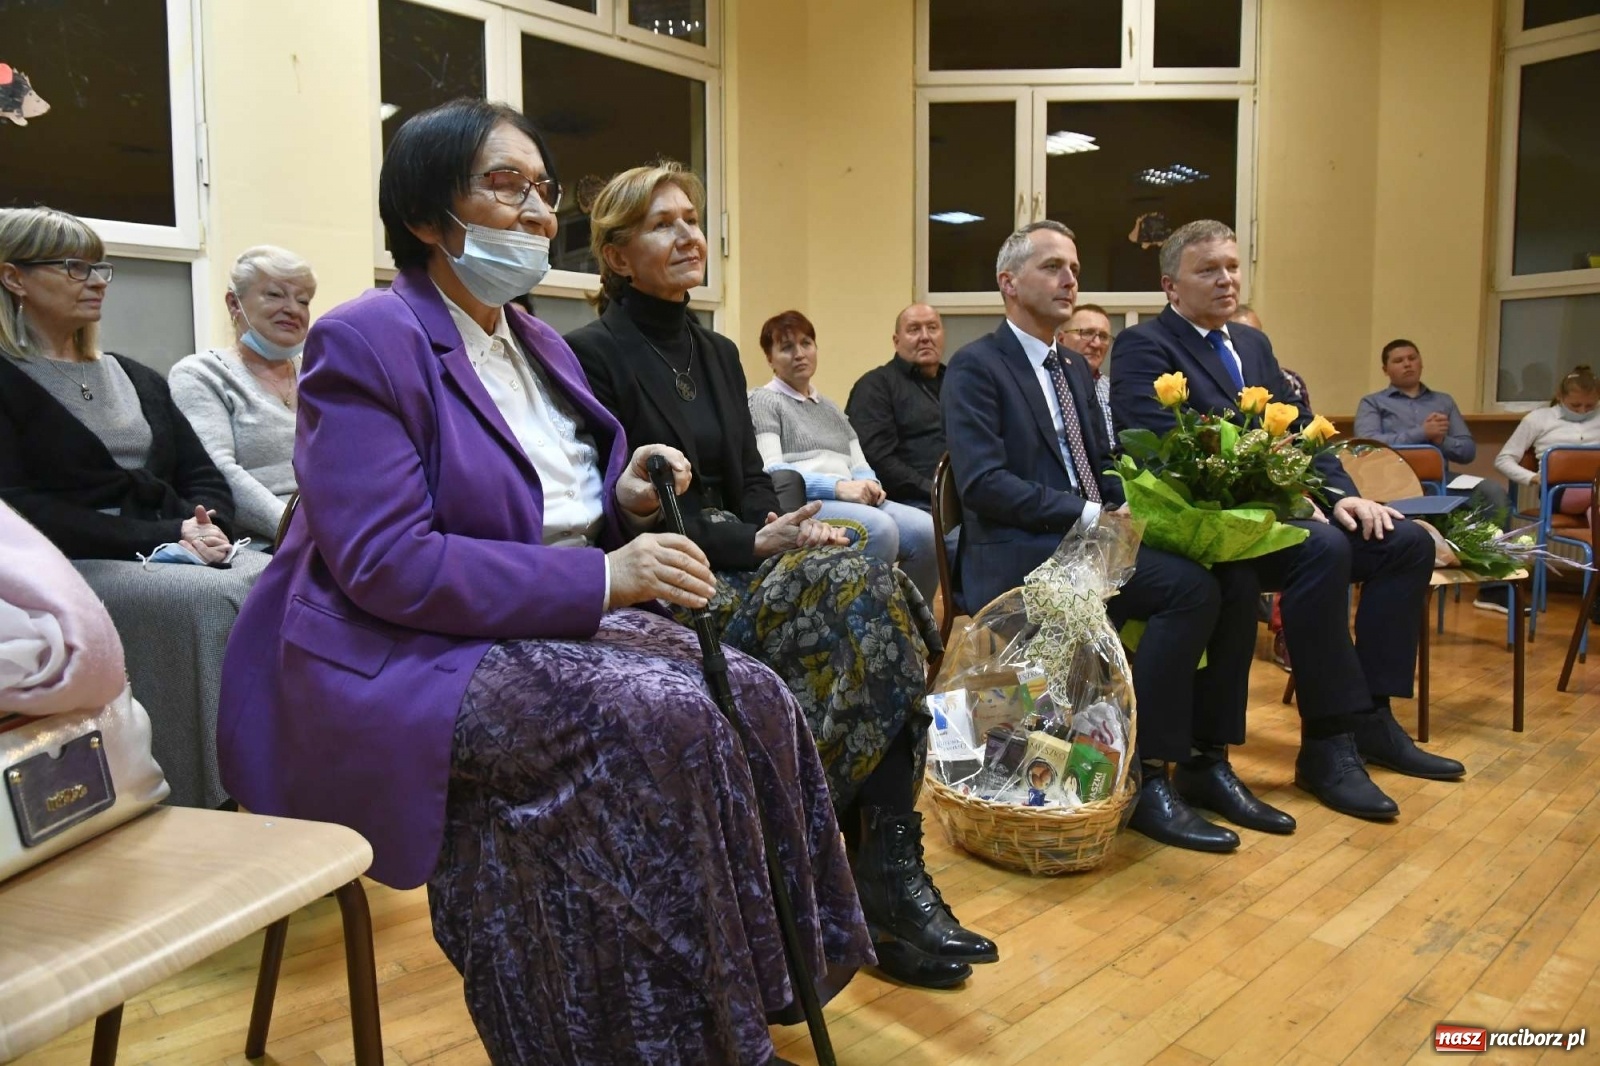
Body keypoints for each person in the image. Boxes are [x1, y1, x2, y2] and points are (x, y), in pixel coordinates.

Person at [217, 100, 874, 1065]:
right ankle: (648, 1039)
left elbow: (556, 506)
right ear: (426, 212)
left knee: (759, 697)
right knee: (669, 726)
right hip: (406, 646)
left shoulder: (538, 342)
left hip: (531, 617)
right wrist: (608, 577)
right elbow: (386, 563)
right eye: (504, 184)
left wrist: (633, 501)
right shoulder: (368, 340)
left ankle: (750, 996)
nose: (533, 211)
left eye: (542, 190)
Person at [566, 161, 996, 990]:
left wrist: (780, 525)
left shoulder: (719, 351)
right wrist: (754, 543)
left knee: (885, 593)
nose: (689, 234)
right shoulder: (590, 355)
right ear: (616, 257)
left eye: (692, 218)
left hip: (742, 558)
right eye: (663, 224)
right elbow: (622, 509)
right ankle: (855, 875)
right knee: (879, 595)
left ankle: (857, 872)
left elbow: (753, 482)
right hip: (673, 579)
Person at [942, 221, 1286, 853]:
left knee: (1233, 576)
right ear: (1008, 283)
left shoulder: (1072, 365)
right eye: (1051, 267)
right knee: (1190, 591)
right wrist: (1089, 515)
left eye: (1073, 266)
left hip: (1089, 543)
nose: (1070, 278)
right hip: (1021, 550)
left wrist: (1134, 502)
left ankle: (1208, 759)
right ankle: (1148, 775)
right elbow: (985, 485)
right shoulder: (975, 367)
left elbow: (1102, 461)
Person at [1110, 220, 1464, 823]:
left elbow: (1304, 430)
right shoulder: (1147, 347)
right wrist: (1284, 498)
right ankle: (1328, 744)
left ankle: (1373, 718)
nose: (1226, 279)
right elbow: (1165, 450)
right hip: (1210, 528)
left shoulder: (1252, 347)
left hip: (1275, 518)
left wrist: (1343, 494)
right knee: (1323, 548)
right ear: (1171, 285)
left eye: (1232, 266)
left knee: (1403, 543)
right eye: (1208, 270)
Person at [0, 205, 266, 810]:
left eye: (100, 267)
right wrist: (162, 537)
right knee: (213, 598)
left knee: (289, 576)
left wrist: (208, 527)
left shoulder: (135, 375)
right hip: (74, 560)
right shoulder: (6, 380)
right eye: (74, 267)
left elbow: (200, 472)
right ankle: (216, 795)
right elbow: (19, 509)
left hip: (168, 543)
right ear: (13, 277)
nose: (96, 280)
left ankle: (297, 766)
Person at [749, 309, 939, 603]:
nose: (799, 354)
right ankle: (866, 633)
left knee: (927, 530)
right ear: (770, 359)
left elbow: (860, 464)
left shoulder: (830, 407)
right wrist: (838, 488)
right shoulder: (763, 400)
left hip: (851, 498)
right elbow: (774, 472)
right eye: (786, 347)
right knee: (881, 529)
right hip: (807, 504)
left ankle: (910, 631)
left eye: (806, 343)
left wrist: (870, 485)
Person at [169, 245, 316, 547]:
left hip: (334, 525)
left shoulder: (319, 375)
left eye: (303, 300)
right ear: (234, 303)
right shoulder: (202, 374)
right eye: (275, 294)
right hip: (265, 539)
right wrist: (297, 531)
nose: (293, 309)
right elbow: (218, 470)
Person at [1358, 338, 1519, 612]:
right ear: (1385, 369)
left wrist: (1440, 440)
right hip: (1394, 486)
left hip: (1443, 480)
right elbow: (1367, 446)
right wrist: (1422, 433)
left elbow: (1467, 451)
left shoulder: (1443, 401)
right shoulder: (1373, 403)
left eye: (1412, 357)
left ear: (1421, 361)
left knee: (1492, 493)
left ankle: (1493, 589)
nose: (1407, 364)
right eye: (1398, 360)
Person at [845, 304, 949, 511]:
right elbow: (877, 458)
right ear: (896, 341)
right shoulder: (875, 386)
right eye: (914, 329)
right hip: (910, 502)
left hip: (963, 499)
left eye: (932, 327)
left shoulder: (956, 381)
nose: (925, 337)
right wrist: (934, 490)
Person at [1230, 304, 1311, 407]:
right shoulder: (1222, 383)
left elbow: (1303, 421)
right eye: (1245, 335)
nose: (1253, 340)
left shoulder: (1289, 381)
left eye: (1257, 334)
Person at [1056, 302, 1114, 443]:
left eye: (1104, 336)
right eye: (1087, 333)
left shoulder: (1114, 391)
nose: (1096, 344)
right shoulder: (1047, 385)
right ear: (1061, 339)